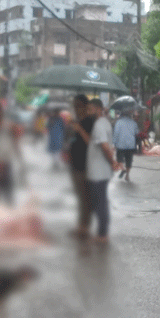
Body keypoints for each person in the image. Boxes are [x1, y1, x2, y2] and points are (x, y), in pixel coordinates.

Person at [73, 99, 121, 242]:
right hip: (97, 171)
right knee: (98, 200)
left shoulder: (100, 124)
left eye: (91, 109)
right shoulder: (101, 123)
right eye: (87, 110)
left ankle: (102, 234)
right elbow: (94, 143)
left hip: (99, 172)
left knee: (100, 202)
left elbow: (105, 147)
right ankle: (101, 232)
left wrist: (112, 162)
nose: (88, 112)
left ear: (99, 109)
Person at [67, 95, 95, 240]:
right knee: (80, 197)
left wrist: (79, 129)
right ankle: (81, 225)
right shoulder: (77, 121)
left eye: (78, 105)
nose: (76, 108)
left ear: (85, 106)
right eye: (74, 105)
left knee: (85, 197)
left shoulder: (90, 122)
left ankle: (85, 228)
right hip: (75, 164)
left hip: (85, 165)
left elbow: (91, 142)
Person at [113, 109, 140, 181]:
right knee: (129, 160)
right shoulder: (133, 123)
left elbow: (116, 134)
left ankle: (123, 169)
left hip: (120, 144)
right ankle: (127, 175)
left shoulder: (118, 122)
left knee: (119, 159)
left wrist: (114, 143)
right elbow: (137, 132)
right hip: (131, 144)